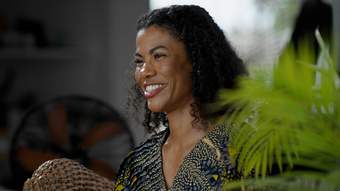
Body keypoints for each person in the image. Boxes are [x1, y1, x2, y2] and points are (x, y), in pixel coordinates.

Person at [114, 5, 248, 190]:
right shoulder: (136, 165)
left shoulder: (242, 151)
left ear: (195, 59)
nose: (145, 71)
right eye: (140, 61)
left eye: (159, 56)